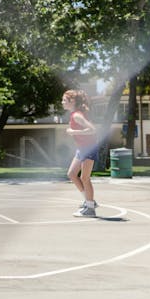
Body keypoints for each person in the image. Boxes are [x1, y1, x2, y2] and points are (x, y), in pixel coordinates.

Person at [62, 89, 98, 217]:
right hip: (82, 148)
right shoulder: (74, 114)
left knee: (84, 178)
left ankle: (90, 209)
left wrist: (74, 132)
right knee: (72, 174)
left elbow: (92, 130)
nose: (62, 102)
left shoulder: (77, 115)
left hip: (89, 147)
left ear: (72, 101)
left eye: (64, 100)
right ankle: (89, 201)